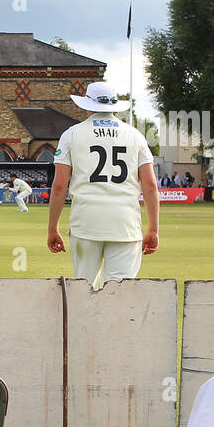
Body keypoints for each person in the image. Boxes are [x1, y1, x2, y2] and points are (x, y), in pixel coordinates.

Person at [47, 81, 159, 288]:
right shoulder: (136, 136)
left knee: (83, 290)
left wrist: (52, 228)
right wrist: (153, 229)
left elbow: (60, 186)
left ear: (88, 105)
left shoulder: (71, 134)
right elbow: (150, 185)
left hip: (86, 223)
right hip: (125, 225)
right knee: (119, 295)